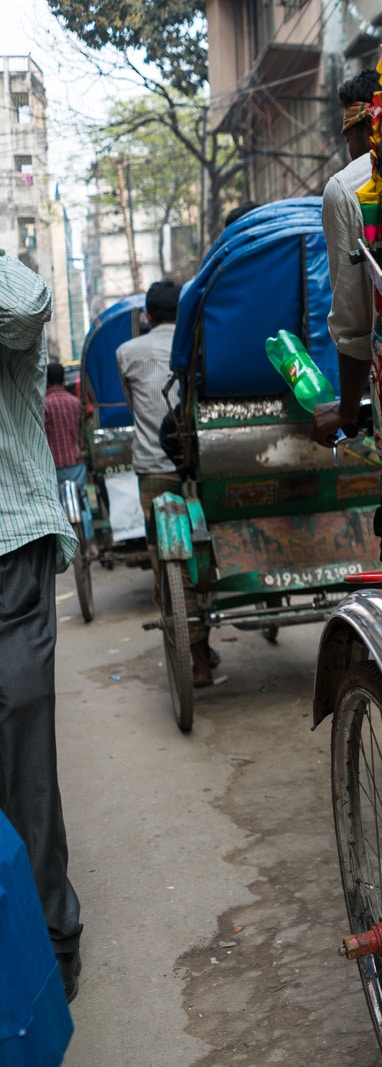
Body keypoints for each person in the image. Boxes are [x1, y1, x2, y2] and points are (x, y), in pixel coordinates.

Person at [0, 248, 83, 1002]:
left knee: (23, 755)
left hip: (9, 551)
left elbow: (26, 306)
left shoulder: (11, 297)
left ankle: (54, 939)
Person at [309, 70, 382, 566]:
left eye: (348, 134)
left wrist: (347, 410)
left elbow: (354, 320)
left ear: (362, 127)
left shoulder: (346, 189)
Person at [117, 278, 215, 686]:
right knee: (205, 554)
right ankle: (202, 644)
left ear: (147, 316)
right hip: (203, 466)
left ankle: (194, 653)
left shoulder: (127, 353)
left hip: (154, 470)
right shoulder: (200, 342)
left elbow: (131, 404)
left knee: (167, 561)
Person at [43, 362, 88, 531]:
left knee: (59, 504)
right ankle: (89, 542)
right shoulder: (75, 402)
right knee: (82, 498)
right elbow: (82, 432)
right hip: (76, 462)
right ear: (62, 379)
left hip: (55, 466)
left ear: (46, 381)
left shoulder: (45, 405)